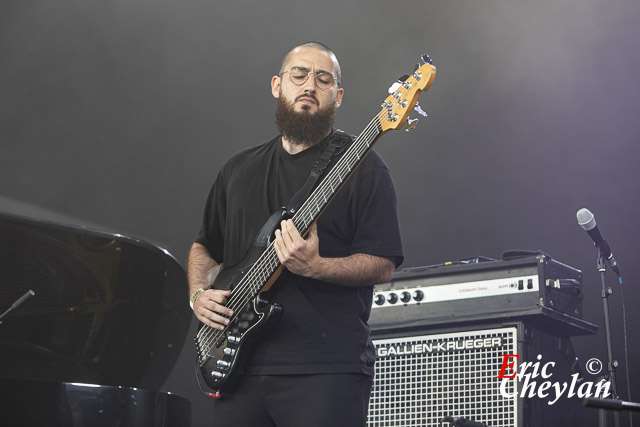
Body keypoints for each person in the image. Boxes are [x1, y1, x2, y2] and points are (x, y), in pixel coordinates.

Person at [187, 41, 404, 427]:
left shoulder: (364, 168)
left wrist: (316, 267)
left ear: (337, 97)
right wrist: (198, 295)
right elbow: (205, 247)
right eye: (299, 75)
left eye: (323, 79)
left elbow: (383, 263)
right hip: (237, 365)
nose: (309, 85)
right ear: (277, 85)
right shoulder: (238, 169)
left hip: (325, 369)